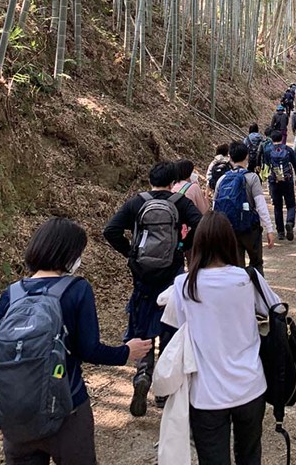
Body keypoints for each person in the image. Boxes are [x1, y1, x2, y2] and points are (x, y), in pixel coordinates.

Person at [0, 217, 151, 465]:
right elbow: (89, 349)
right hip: (67, 408)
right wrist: (126, 352)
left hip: (17, 412)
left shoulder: (11, 293)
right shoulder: (76, 289)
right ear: (68, 253)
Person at [171, 212, 281, 465]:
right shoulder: (248, 278)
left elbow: (178, 326)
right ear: (230, 242)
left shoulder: (184, 285)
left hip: (205, 394)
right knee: (250, 455)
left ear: (198, 244)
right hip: (251, 386)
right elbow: (276, 310)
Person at [103, 161, 202, 416]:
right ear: (172, 183)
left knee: (142, 322)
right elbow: (201, 225)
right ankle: (163, 391)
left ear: (150, 181)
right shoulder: (180, 203)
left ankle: (142, 374)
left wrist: (130, 252)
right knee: (169, 326)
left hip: (142, 276)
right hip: (170, 273)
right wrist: (181, 245)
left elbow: (110, 230)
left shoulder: (137, 202)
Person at [215, 140, 275, 274]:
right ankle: (258, 292)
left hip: (230, 230)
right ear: (247, 156)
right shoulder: (252, 178)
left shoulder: (222, 180)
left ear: (230, 158)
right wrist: (269, 229)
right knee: (257, 263)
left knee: (237, 267)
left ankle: (240, 293)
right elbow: (260, 206)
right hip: (250, 229)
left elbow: (216, 208)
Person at [266, 129, 296, 241]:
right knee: (291, 204)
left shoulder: (268, 151)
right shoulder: (288, 150)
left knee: (277, 206)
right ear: (282, 138)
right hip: (287, 180)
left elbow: (266, 166)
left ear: (271, 139)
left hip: (274, 181)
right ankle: (290, 222)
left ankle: (280, 232)